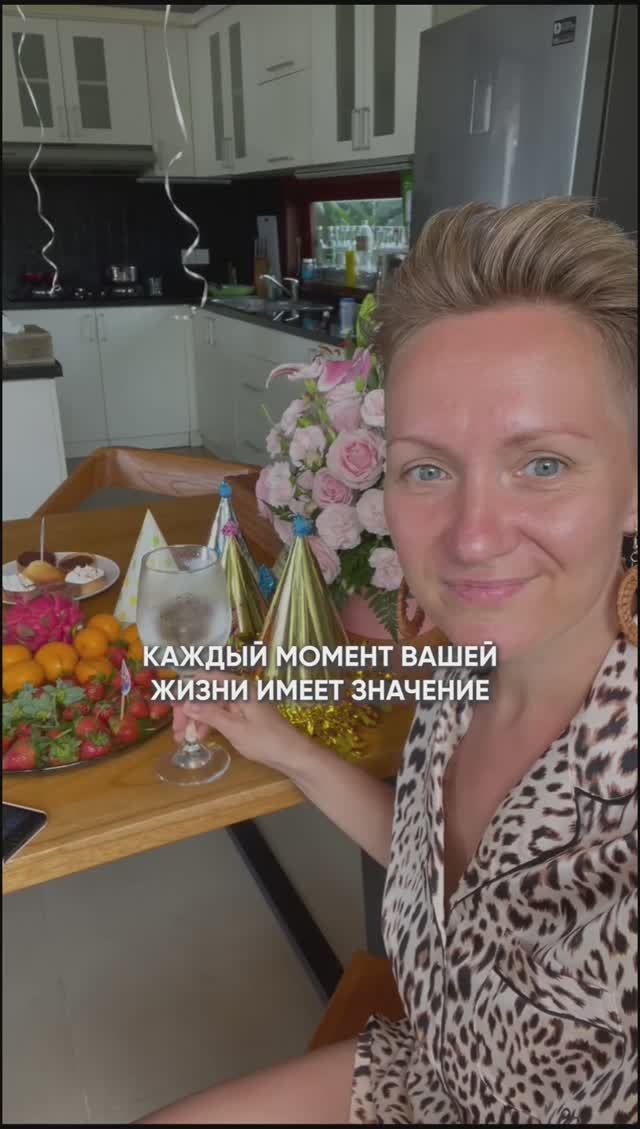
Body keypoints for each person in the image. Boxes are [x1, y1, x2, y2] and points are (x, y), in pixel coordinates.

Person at [140, 197, 637, 1125]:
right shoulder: (457, 675)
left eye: (543, 464)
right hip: (425, 1078)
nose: (473, 538)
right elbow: (426, 868)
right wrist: (282, 744)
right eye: (427, 469)